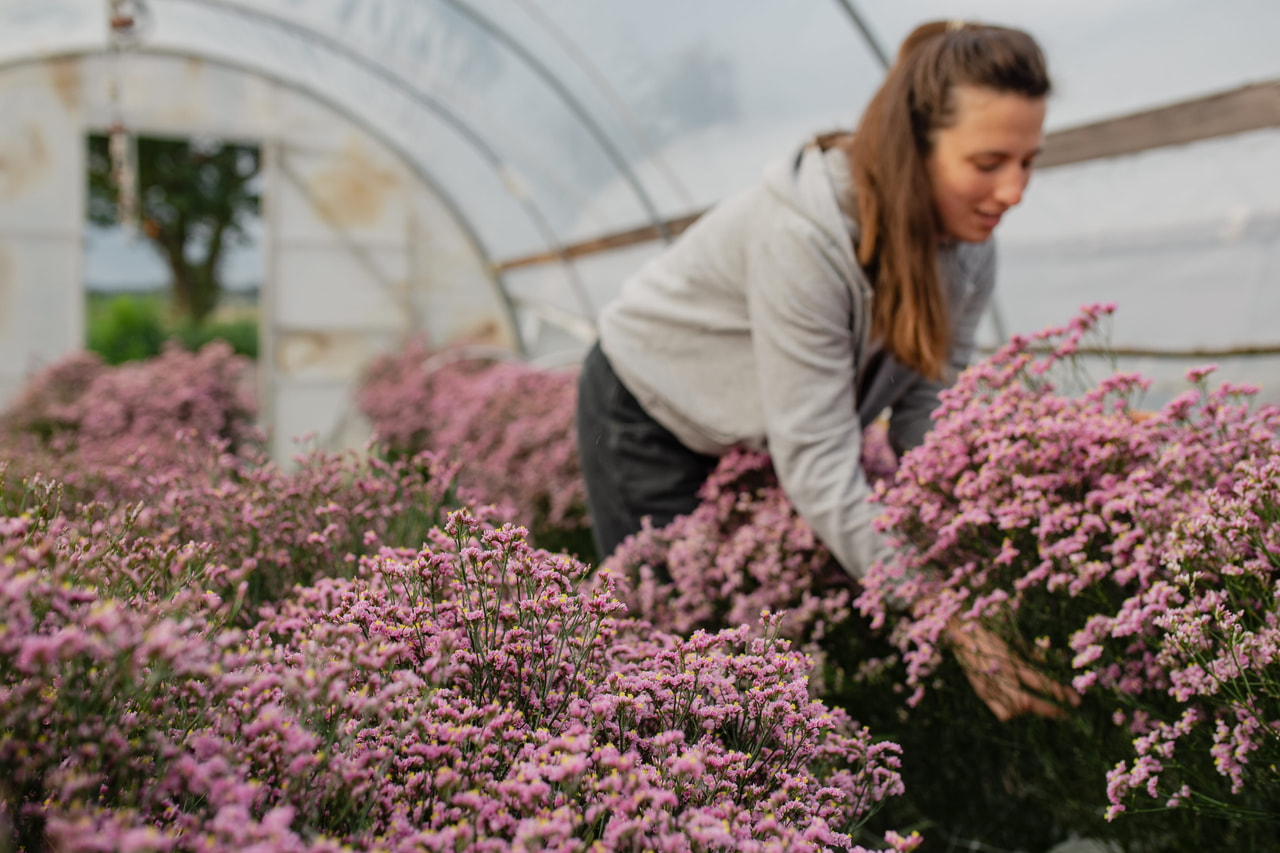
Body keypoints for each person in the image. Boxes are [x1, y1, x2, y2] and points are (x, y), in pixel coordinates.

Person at [577, 20, 1069, 720]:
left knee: (744, 658)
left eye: (1029, 161)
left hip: (749, 420)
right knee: (677, 668)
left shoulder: (969, 248)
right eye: (989, 163)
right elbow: (816, 457)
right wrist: (948, 618)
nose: (1013, 191)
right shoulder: (805, 236)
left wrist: (981, 541)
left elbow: (929, 412)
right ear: (916, 149)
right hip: (648, 405)